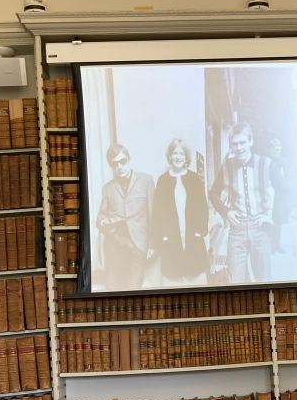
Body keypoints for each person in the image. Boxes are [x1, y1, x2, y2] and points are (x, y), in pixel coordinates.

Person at [209, 121, 274, 284]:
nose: (239, 147)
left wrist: (269, 216)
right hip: (237, 229)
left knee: (264, 278)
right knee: (236, 280)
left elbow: (284, 191)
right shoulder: (227, 166)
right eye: (235, 144)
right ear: (231, 146)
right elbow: (213, 193)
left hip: (260, 228)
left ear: (251, 141)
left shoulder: (265, 163)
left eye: (242, 142)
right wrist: (226, 213)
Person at [96, 143, 154, 291]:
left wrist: (151, 245)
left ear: (129, 159)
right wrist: (104, 223)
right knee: (114, 290)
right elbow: (100, 217)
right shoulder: (107, 188)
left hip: (138, 244)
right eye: (114, 164)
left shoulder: (146, 181)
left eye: (122, 161)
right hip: (115, 246)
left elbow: (152, 215)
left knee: (134, 289)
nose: (119, 167)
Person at [151, 138, 209, 286]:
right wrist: (162, 237)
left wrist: (200, 232)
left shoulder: (194, 178)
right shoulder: (163, 180)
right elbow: (157, 212)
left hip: (192, 237)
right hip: (171, 239)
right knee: (173, 281)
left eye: (181, 153)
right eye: (175, 153)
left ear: (186, 157)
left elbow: (203, 207)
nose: (178, 157)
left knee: (196, 281)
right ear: (170, 156)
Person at [267, 135, 290, 253]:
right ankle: (270, 245)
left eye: (279, 150)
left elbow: (288, 176)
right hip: (270, 195)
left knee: (279, 221)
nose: (278, 152)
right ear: (270, 150)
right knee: (270, 221)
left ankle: (277, 245)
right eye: (275, 150)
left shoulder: (283, 161)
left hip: (281, 196)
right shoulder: (267, 162)